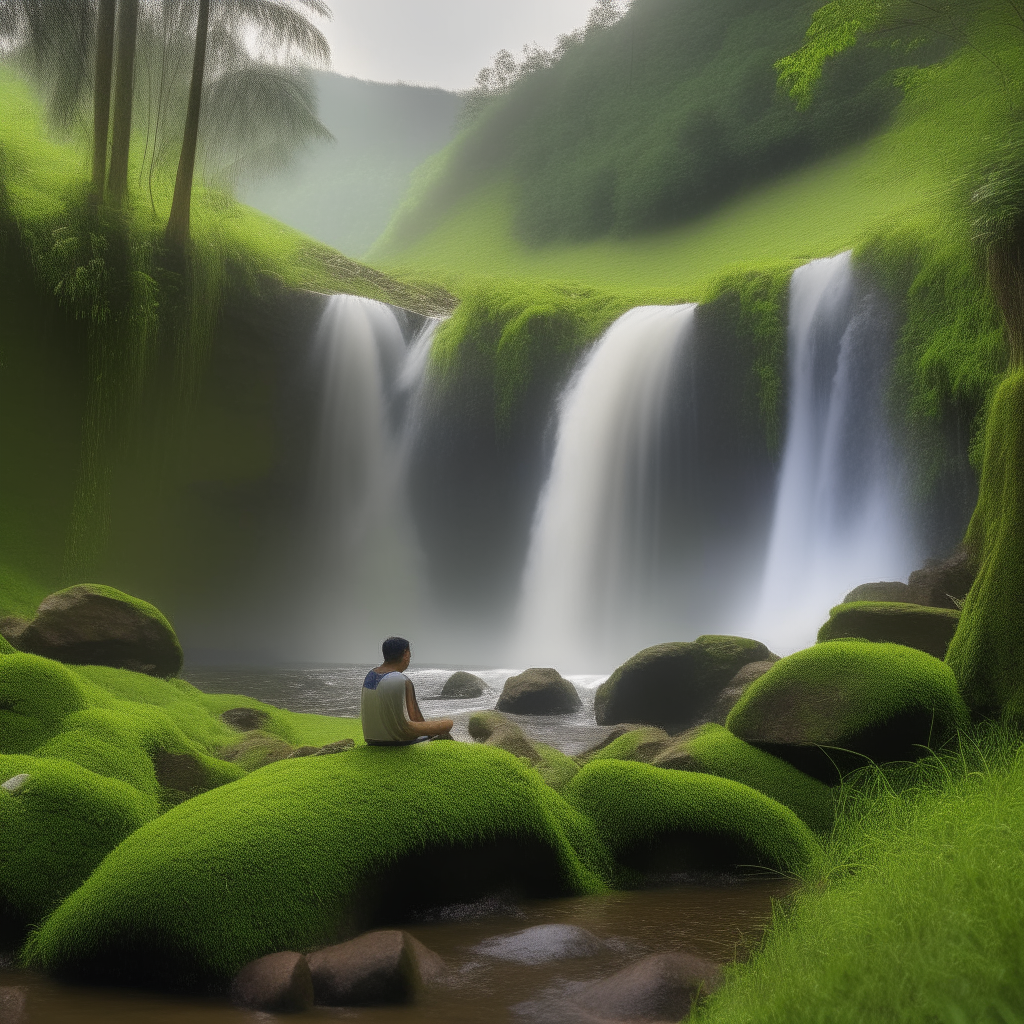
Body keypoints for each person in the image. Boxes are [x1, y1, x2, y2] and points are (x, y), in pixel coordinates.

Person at [361, 636, 454, 745]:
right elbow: (415, 718)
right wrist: (431, 732)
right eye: (409, 654)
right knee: (448, 723)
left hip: (371, 739)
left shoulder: (370, 675)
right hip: (398, 737)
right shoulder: (402, 680)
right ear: (405, 653)